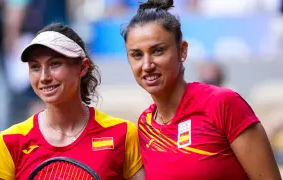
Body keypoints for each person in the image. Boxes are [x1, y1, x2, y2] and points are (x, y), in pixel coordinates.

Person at [121, 0, 282, 179]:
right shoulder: (145, 125)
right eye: (136, 55)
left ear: (182, 51)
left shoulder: (223, 104)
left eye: (158, 51)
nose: (147, 65)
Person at [0, 23, 144, 180]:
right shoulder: (10, 141)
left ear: (82, 67)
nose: (44, 77)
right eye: (35, 67)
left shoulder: (123, 134)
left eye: (55, 64)